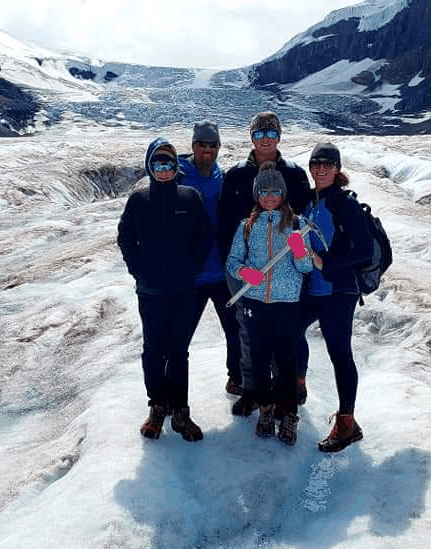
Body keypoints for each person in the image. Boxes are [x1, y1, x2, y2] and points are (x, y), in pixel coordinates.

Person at [117, 137, 212, 442]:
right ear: (150, 166)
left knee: (178, 352)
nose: (163, 168)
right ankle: (158, 407)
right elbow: (126, 239)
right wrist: (138, 271)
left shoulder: (190, 197)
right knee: (153, 351)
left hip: (184, 290)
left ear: (175, 166)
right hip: (150, 292)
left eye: (169, 162)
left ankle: (181, 412)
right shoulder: (138, 201)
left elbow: (205, 237)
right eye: (157, 162)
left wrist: (193, 269)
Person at [217, 111, 311, 416]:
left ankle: (288, 389)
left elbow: (302, 224)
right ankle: (252, 389)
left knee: (286, 337)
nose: (265, 139)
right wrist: (236, 268)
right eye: (259, 134)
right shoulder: (236, 175)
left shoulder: (295, 174)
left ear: (279, 136)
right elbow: (224, 221)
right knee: (248, 334)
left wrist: (300, 256)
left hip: (285, 273)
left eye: (270, 133)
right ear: (251, 137)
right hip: (246, 267)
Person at [226, 162, 313, 446]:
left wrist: (300, 252)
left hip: (286, 303)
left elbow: (305, 268)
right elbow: (233, 261)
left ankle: (288, 413)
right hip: (255, 302)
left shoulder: (296, 225)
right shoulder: (247, 226)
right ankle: (265, 409)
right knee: (259, 358)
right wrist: (244, 273)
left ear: (283, 193)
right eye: (264, 191)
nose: (270, 196)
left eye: (276, 190)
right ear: (257, 194)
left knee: (286, 360)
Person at [296, 141, 374, 452]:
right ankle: (297, 385)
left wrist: (326, 264)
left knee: (339, 354)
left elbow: (365, 251)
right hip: (314, 288)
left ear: (337, 169)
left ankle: (347, 423)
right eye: (317, 164)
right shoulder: (311, 202)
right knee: (291, 331)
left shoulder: (345, 204)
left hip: (339, 291)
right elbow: (305, 240)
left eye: (328, 164)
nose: (321, 169)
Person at [177, 121, 243, 396]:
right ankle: (171, 397)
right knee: (178, 339)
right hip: (190, 275)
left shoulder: (221, 177)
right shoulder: (178, 175)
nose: (207, 149)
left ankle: (237, 379)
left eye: (212, 145)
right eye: (202, 144)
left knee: (235, 332)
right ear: (193, 146)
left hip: (222, 273)